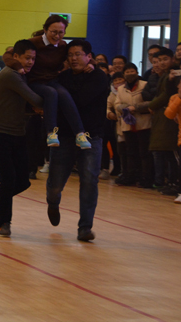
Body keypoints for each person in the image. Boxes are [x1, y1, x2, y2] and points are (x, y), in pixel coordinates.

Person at [46, 40, 109, 242]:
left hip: (92, 137)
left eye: (78, 54)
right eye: (70, 55)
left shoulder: (99, 77)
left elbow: (79, 100)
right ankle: (53, 203)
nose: (73, 58)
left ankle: (85, 227)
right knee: (55, 184)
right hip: (64, 136)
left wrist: (62, 93)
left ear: (88, 56)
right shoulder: (62, 77)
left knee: (90, 182)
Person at [0, 39, 44, 237]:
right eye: (27, 58)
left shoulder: (21, 74)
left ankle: (1, 195)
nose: (30, 62)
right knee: (9, 177)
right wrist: (52, 101)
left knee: (24, 181)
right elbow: (35, 99)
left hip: (17, 133)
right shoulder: (11, 75)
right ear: (16, 57)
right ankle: (4, 222)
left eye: (33, 58)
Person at [12, 15, 91, 150]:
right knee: (51, 93)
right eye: (53, 32)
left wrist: (91, 63)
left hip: (51, 80)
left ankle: (80, 133)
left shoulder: (62, 45)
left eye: (61, 32)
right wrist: (17, 66)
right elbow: (8, 55)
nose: (57, 36)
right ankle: (51, 133)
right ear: (45, 29)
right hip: (35, 81)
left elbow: (81, 54)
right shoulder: (33, 42)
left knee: (64, 94)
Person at [135, 47, 178, 191]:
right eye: (159, 60)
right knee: (163, 152)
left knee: (171, 153)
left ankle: (173, 182)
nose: (161, 63)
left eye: (165, 59)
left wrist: (152, 105)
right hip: (162, 116)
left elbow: (166, 95)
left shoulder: (172, 75)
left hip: (169, 117)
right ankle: (166, 182)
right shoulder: (162, 76)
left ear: (172, 59)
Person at [115, 63, 151, 187]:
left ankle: (146, 178)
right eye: (127, 72)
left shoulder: (145, 85)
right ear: (124, 74)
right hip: (128, 124)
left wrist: (136, 107)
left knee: (144, 153)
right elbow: (117, 104)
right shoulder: (121, 89)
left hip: (144, 123)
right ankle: (131, 176)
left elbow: (150, 102)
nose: (130, 74)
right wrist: (126, 108)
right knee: (130, 152)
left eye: (132, 71)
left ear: (137, 72)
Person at [101, 72, 126, 180]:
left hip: (126, 123)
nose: (118, 82)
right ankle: (105, 168)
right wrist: (109, 113)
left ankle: (120, 169)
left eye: (120, 79)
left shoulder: (127, 91)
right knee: (106, 145)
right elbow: (107, 106)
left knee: (120, 148)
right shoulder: (111, 93)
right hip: (110, 123)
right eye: (116, 80)